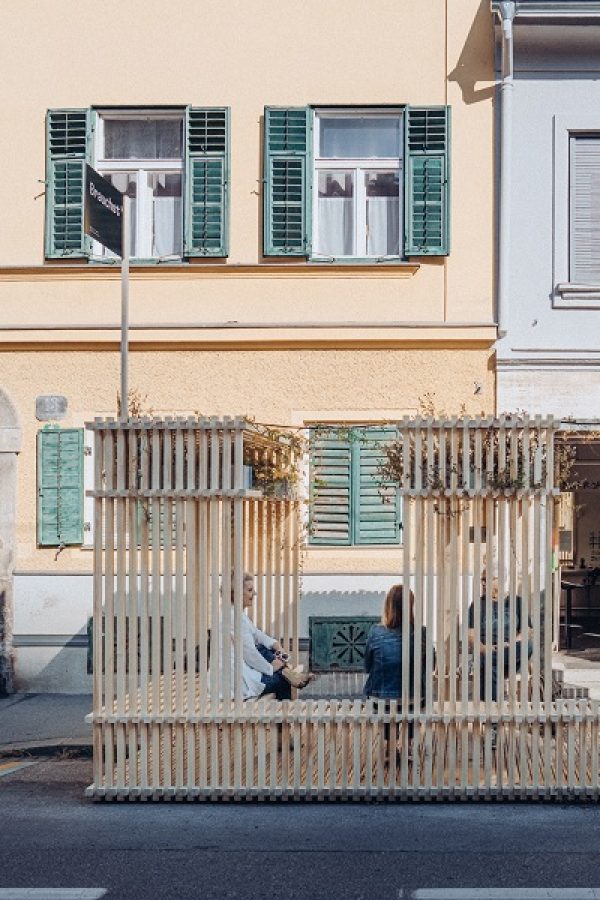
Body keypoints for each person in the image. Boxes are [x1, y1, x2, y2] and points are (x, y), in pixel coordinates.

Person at [225, 573, 313, 700]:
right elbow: (250, 654)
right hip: (237, 682)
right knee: (283, 681)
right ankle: (283, 717)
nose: (254, 593)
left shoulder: (237, 614)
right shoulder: (234, 618)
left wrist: (276, 645)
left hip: (243, 672)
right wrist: (271, 668)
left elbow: (257, 634)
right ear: (236, 593)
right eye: (250, 590)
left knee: (265, 648)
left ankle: (288, 673)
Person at [364, 584, 430, 753]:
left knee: (385, 702)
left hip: (381, 701)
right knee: (412, 699)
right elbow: (431, 666)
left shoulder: (375, 632)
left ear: (388, 605)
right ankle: (407, 744)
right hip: (413, 701)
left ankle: (388, 746)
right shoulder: (421, 633)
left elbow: (367, 666)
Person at [467, 573, 533, 703]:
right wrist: (485, 648)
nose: (483, 583)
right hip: (487, 650)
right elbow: (471, 636)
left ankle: (491, 714)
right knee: (490, 663)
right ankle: (495, 716)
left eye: (487, 579)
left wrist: (510, 644)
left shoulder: (517, 601)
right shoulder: (477, 605)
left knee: (529, 644)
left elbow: (526, 631)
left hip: (512, 651)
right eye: (482, 579)